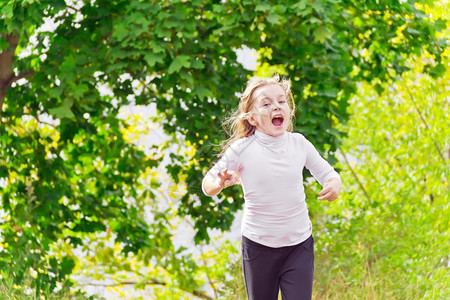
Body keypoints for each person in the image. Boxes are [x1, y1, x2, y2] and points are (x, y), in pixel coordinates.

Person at [202, 75, 342, 300]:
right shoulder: (242, 149)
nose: (276, 106)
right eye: (266, 104)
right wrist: (218, 183)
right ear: (253, 118)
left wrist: (334, 184)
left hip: (299, 245)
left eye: (281, 101)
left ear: (289, 110)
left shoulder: (299, 143)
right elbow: (207, 184)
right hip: (258, 247)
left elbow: (329, 174)